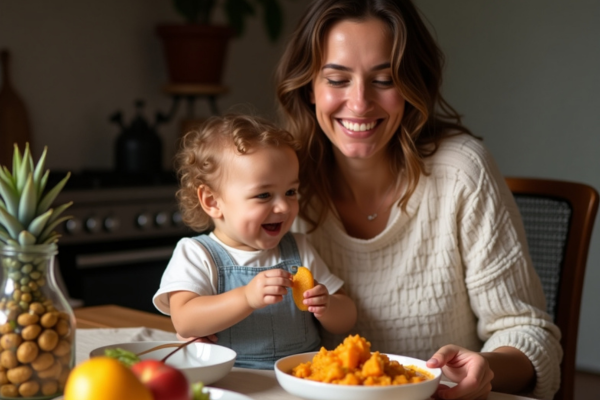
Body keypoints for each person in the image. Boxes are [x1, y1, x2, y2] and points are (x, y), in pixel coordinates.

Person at [275, 0, 562, 398]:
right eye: (337, 79)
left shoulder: (462, 171)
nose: (359, 103)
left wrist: (487, 369)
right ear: (309, 87)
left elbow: (531, 335)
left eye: (384, 79)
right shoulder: (282, 184)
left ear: (413, 86)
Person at [153, 114, 357, 369]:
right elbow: (184, 320)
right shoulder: (197, 254)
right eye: (263, 195)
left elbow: (347, 317)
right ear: (212, 201)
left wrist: (328, 306)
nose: (283, 206)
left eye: (290, 192)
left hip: (301, 377)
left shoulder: (299, 248)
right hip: (235, 380)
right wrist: (246, 298)